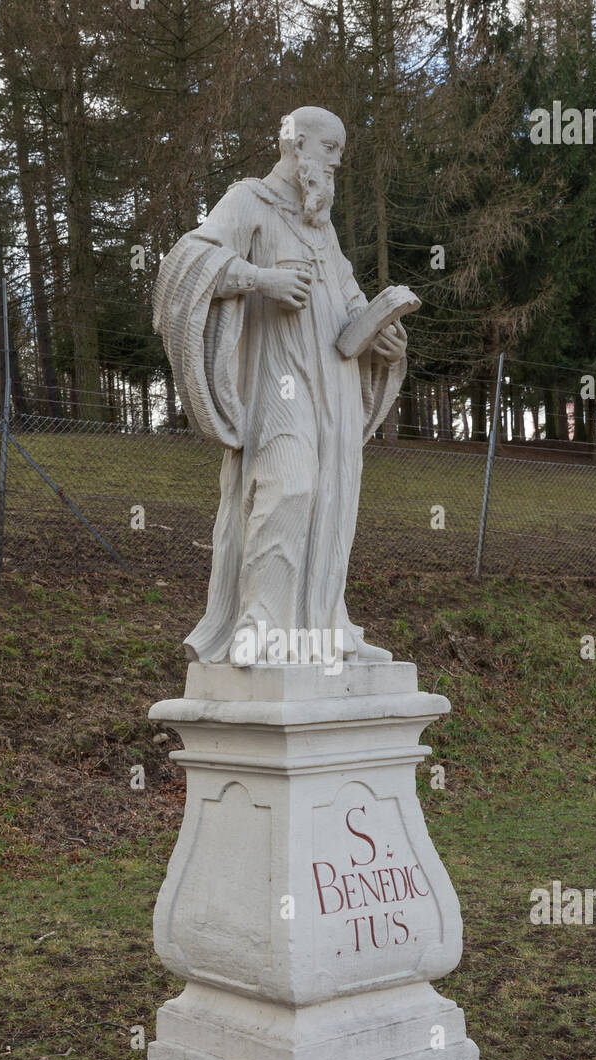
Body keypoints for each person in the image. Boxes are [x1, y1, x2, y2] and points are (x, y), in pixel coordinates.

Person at [153, 105, 408, 665]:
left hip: (335, 389)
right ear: (296, 146)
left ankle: (323, 628)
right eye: (328, 150)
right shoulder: (249, 201)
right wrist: (258, 278)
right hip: (281, 383)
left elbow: (350, 302)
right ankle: (258, 626)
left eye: (341, 154)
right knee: (286, 486)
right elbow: (186, 262)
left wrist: (385, 337)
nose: (336, 163)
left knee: (331, 499)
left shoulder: (323, 227)